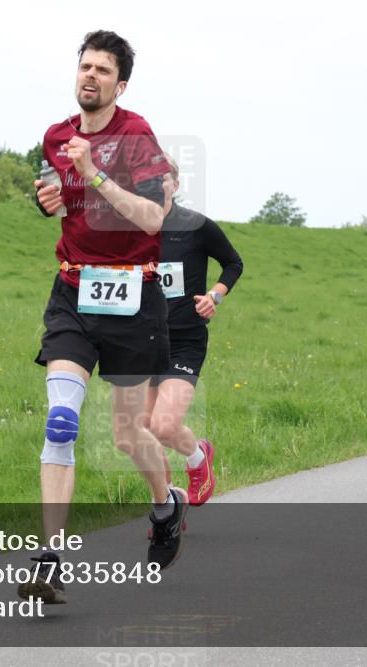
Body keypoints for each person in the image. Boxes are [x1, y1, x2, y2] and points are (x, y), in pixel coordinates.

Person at [17, 30, 181, 605]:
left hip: (134, 298)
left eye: (103, 71)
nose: (90, 76)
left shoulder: (135, 136)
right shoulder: (56, 135)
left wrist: (93, 175)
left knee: (127, 434)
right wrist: (50, 199)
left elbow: (151, 220)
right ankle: (52, 556)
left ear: (121, 84)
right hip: (73, 291)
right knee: (60, 422)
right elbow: (58, 197)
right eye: (84, 66)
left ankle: (166, 508)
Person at [146, 154, 243, 505]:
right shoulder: (131, 229)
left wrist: (215, 296)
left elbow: (233, 262)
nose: (155, 186)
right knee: (147, 433)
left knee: (164, 426)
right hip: (142, 340)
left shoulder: (196, 226)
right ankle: (167, 509)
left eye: (162, 179)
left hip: (184, 338)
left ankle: (198, 457)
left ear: (175, 183)